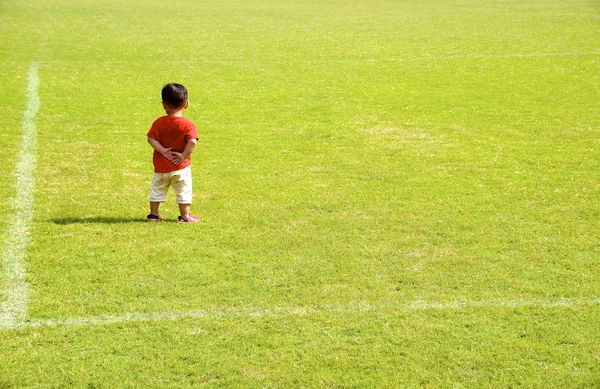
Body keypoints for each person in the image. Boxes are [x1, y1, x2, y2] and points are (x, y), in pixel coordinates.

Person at [146, 83, 200, 222]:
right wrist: (183, 156)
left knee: (157, 189)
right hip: (180, 168)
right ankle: (185, 216)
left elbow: (151, 138)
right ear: (186, 104)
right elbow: (192, 141)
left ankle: (153, 214)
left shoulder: (159, 122)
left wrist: (162, 151)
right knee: (183, 191)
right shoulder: (187, 125)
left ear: (164, 104)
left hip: (161, 167)